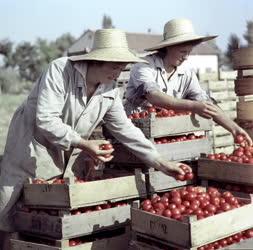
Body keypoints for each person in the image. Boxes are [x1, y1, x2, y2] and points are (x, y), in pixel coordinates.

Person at [0, 28, 191, 248]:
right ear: (96, 60)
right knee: (7, 210)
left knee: (48, 215)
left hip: (66, 151)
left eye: (122, 68)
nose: (118, 73)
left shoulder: (110, 90)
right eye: (114, 66)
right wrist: (83, 143)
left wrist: (161, 163)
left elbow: (126, 129)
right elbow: (46, 120)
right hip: (30, 147)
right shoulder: (60, 71)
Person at [124, 18, 252, 145]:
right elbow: (154, 96)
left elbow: (206, 103)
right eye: (183, 51)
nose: (186, 57)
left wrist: (234, 129)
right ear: (168, 47)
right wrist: (192, 106)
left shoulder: (187, 73)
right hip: (137, 132)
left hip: (167, 134)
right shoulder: (144, 66)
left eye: (189, 52)